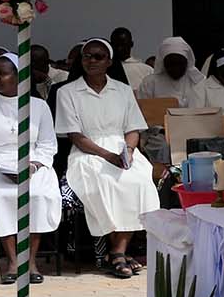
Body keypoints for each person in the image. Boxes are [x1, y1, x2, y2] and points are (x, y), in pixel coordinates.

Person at [52, 37, 159, 279]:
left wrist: (129, 152)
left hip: (121, 149)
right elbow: (76, 136)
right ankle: (120, 252)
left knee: (138, 181)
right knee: (103, 183)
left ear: (109, 61)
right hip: (88, 152)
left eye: (98, 56)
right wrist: (108, 155)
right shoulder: (67, 92)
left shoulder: (122, 90)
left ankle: (116, 252)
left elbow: (133, 129)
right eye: (87, 56)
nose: (91, 61)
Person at [0, 53, 61, 284]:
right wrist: (6, 169)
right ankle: (13, 261)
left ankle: (30, 260)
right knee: (0, 196)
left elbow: (47, 144)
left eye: (2, 73)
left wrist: (32, 166)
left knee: (39, 195)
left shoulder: (39, 106)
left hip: (34, 163)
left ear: (19, 76)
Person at [135, 37, 205, 107]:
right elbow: (142, 109)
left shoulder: (198, 82)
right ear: (163, 63)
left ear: (187, 63)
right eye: (171, 64)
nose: (175, 68)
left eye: (179, 63)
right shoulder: (149, 83)